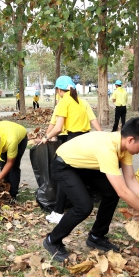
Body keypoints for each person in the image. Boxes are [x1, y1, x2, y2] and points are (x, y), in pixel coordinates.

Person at [42, 117, 139, 262]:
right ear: (131, 140)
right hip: (64, 165)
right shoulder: (107, 149)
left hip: (84, 165)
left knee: (111, 192)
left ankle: (96, 236)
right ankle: (52, 240)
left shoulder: (124, 147)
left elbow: (131, 180)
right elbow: (124, 191)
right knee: (84, 206)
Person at [41, 75, 101, 224]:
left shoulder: (64, 101)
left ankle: (58, 212)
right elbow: (92, 121)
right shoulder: (80, 101)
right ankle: (82, 203)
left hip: (73, 140)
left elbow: (58, 127)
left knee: (63, 174)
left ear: (58, 90)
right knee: (77, 174)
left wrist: (46, 137)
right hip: (85, 139)